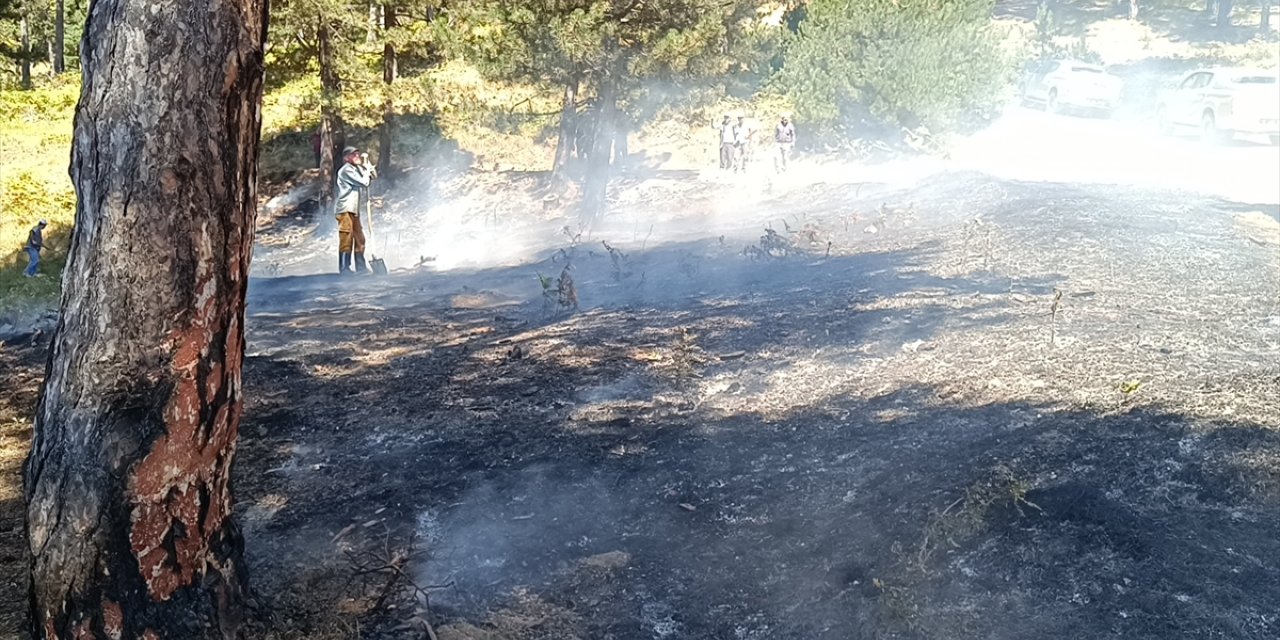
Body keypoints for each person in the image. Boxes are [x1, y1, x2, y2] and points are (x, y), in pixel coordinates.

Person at [334, 146, 376, 274]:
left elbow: (372, 176)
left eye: (358, 154)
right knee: (347, 237)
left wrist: (368, 166)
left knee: (360, 237)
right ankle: (344, 268)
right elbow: (364, 182)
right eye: (354, 155)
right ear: (347, 158)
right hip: (345, 208)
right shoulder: (346, 170)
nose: (357, 157)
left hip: (354, 209)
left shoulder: (356, 169)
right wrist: (366, 171)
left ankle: (361, 267)